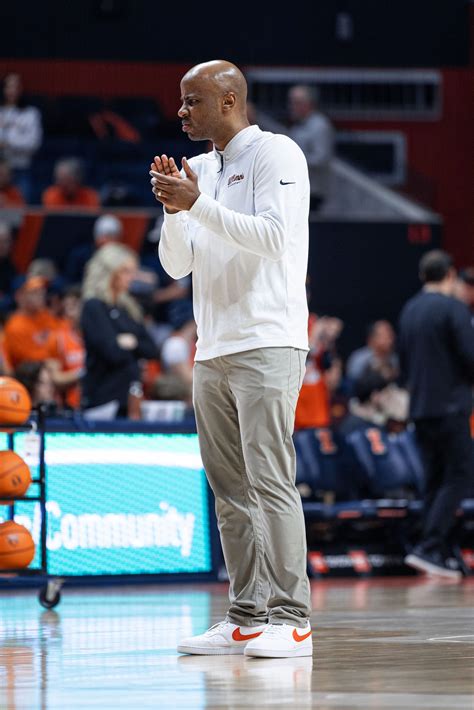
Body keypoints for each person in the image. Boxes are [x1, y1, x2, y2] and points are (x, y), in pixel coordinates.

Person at [150, 59, 312, 658]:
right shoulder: (204, 172)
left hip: (268, 340)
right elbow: (175, 265)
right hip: (212, 347)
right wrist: (175, 211)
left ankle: (292, 619)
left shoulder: (278, 154)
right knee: (228, 491)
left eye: (191, 101)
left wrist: (197, 203)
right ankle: (245, 615)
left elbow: (274, 237)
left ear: (227, 100)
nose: (182, 111)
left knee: (270, 482)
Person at [399, 250, 474, 579]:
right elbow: (469, 356)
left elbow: (404, 362)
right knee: (459, 475)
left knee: (434, 479)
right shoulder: (454, 308)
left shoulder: (409, 310)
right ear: (450, 274)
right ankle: (431, 545)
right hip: (451, 406)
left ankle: (432, 551)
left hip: (419, 408)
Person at [81, 242, 158, 417]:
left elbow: (151, 349)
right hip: (103, 399)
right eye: (126, 271)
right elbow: (112, 352)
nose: (131, 277)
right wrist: (127, 344)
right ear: (109, 272)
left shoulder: (128, 307)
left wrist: (131, 342)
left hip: (130, 397)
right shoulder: (94, 307)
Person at [250, 84, 334, 211]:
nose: (291, 107)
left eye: (295, 102)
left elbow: (321, 159)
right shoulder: (297, 126)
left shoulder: (319, 126)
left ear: (308, 104)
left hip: (312, 191)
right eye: (291, 102)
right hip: (295, 189)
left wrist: (291, 159)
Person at [3, 275, 62, 370]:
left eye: (42, 291)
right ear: (19, 296)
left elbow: (63, 337)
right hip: (32, 378)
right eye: (35, 292)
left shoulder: (45, 315)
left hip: (54, 368)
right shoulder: (15, 326)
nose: (41, 295)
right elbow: (29, 362)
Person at [0, 73, 42, 202]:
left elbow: (32, 143)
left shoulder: (31, 113)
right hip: (0, 168)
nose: (12, 91)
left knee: (21, 210)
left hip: (21, 168)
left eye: (16, 87)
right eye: (9, 87)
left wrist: (8, 143)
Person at [64, 213, 123, 285]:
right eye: (105, 236)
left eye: (112, 237)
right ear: (97, 236)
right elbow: (70, 280)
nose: (108, 241)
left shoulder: (124, 257)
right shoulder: (80, 255)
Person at [346, 320, 399, 385]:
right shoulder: (359, 358)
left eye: (391, 335)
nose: (390, 339)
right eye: (385, 336)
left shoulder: (394, 358)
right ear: (371, 339)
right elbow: (352, 383)